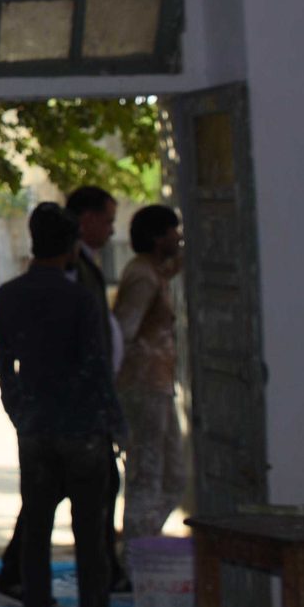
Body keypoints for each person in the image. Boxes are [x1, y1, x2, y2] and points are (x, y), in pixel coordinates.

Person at [0, 203, 139, 607]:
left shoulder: (7, 296)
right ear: (72, 246)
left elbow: (4, 369)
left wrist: (21, 415)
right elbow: (96, 371)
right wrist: (116, 427)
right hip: (83, 432)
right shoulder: (80, 300)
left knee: (36, 533)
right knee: (91, 536)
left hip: (36, 431)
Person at [112, 203, 187, 539]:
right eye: (174, 230)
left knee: (172, 476)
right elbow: (124, 331)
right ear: (159, 237)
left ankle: (142, 548)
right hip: (142, 388)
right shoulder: (142, 275)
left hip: (156, 386)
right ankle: (136, 558)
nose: (179, 236)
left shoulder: (151, 272)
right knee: (146, 475)